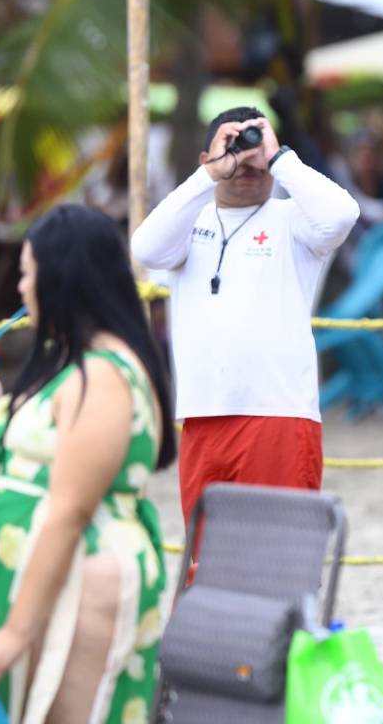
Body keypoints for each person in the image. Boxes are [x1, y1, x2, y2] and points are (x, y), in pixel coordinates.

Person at [0, 205, 175, 722]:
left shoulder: (106, 377)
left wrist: (13, 636)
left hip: (83, 589)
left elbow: (69, 510)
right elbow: (49, 458)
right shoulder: (81, 365)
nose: (22, 287)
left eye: (28, 272)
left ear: (61, 277)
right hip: (55, 586)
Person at [131, 107, 359, 522]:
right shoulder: (188, 221)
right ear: (207, 158)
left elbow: (342, 215)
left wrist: (279, 159)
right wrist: (209, 175)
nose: (246, 161)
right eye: (234, 147)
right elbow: (145, 249)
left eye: (255, 149)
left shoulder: (295, 219)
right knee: (206, 565)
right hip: (202, 414)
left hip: (280, 416)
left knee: (279, 564)